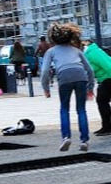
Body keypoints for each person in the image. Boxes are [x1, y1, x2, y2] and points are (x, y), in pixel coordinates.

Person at [40, 22, 95, 152]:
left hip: (64, 77)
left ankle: (66, 137)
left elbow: (45, 72)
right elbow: (90, 70)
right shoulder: (76, 50)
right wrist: (90, 87)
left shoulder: (51, 51)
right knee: (81, 110)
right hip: (80, 76)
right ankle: (84, 140)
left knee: (64, 108)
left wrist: (46, 88)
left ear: (52, 38)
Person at [83, 40, 111, 136]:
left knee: (102, 101)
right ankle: (106, 127)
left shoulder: (93, 53)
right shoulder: (89, 53)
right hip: (105, 78)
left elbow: (108, 66)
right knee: (102, 101)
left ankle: (107, 128)